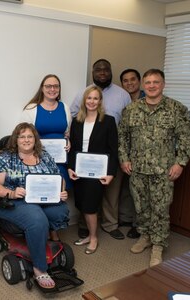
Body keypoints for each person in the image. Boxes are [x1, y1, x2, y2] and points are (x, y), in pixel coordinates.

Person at [118, 69, 190, 267]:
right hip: (137, 169)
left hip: (163, 170)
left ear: (163, 84)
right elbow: (123, 138)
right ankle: (145, 236)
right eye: (148, 82)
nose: (151, 86)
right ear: (143, 85)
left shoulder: (176, 109)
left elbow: (186, 140)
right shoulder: (131, 109)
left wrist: (180, 163)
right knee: (141, 206)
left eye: (156, 82)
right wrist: (124, 159)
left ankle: (158, 245)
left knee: (160, 208)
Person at [0, 122, 69, 290]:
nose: (26, 140)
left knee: (61, 211)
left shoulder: (44, 155)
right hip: (12, 202)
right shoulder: (6, 157)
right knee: (36, 219)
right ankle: (40, 268)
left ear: (35, 139)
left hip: (43, 200)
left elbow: (58, 179)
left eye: (29, 136)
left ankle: (37, 238)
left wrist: (61, 192)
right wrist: (11, 193)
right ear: (16, 140)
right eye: (22, 136)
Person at [70, 59, 131, 240]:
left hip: (107, 154)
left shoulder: (122, 95)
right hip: (84, 162)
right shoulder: (81, 98)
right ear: (93, 72)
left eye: (105, 69)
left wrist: (112, 169)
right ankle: (84, 225)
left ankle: (110, 225)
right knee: (85, 195)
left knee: (110, 194)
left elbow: (127, 121)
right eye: (98, 69)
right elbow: (74, 122)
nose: (102, 72)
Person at [68, 86, 118, 255]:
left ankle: (93, 237)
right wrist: (70, 167)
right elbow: (73, 148)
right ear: (84, 100)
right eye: (89, 98)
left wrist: (111, 173)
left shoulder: (108, 121)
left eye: (95, 98)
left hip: (97, 172)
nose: (92, 101)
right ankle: (89, 235)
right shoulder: (76, 121)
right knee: (82, 203)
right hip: (79, 171)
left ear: (100, 101)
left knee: (90, 206)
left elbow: (113, 150)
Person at [20, 74, 72, 189]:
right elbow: (22, 137)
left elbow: (67, 134)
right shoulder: (31, 109)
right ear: (42, 88)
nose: (52, 89)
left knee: (61, 192)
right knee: (41, 190)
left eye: (56, 86)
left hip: (60, 161)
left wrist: (68, 141)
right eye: (48, 86)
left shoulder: (65, 108)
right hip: (38, 160)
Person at [118, 68, 146, 239]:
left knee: (141, 191)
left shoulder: (148, 99)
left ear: (139, 81)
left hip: (145, 154)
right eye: (125, 81)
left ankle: (138, 224)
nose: (130, 83)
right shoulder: (122, 100)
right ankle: (126, 218)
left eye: (133, 79)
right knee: (127, 187)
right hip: (126, 151)